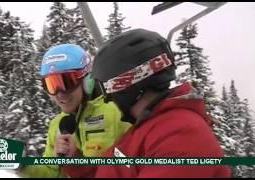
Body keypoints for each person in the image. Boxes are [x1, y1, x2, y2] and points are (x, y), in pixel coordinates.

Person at [58, 29, 231, 178]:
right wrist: (75, 162)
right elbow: (108, 172)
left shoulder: (181, 136)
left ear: (127, 85)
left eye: (107, 89)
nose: (107, 98)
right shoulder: (151, 127)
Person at [19, 44, 131, 178]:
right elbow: (52, 172)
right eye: (51, 85)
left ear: (87, 80)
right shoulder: (57, 124)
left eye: (66, 82)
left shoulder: (117, 113)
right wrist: (22, 164)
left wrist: (77, 162)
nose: (59, 94)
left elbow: (132, 167)